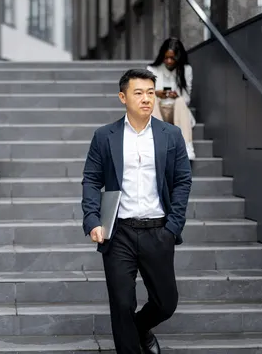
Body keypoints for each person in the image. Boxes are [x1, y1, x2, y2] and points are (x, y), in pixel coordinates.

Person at [81, 69, 192, 354]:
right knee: (121, 304)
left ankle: (141, 327)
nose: (146, 99)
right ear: (123, 97)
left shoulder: (172, 135)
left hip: (159, 231)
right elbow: (92, 179)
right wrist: (93, 219)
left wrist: (173, 227)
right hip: (119, 233)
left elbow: (182, 181)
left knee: (166, 303)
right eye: (138, 93)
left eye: (150, 92)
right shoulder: (105, 136)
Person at [147, 37, 196, 160]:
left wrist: (176, 95)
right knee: (152, 99)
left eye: (172, 58)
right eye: (166, 57)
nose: (169, 61)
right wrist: (157, 93)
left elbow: (186, 99)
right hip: (158, 110)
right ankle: (159, 144)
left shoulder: (186, 70)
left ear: (178, 57)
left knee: (180, 101)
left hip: (177, 111)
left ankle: (186, 146)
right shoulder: (152, 70)